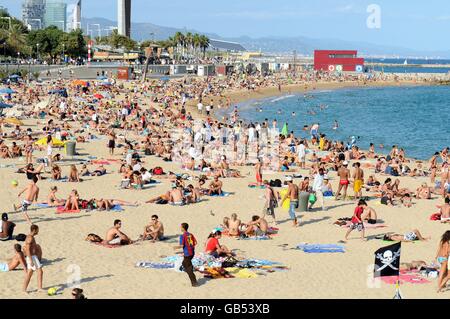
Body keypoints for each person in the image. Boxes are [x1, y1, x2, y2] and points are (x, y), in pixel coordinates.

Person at [174, 223, 198, 287]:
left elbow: (181, 245)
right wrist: (190, 247)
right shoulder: (191, 234)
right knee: (184, 263)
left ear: (183, 228)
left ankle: (194, 282)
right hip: (192, 252)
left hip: (187, 254)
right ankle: (191, 270)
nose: (180, 228)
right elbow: (195, 242)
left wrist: (175, 247)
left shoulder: (182, 236)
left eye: (181, 227)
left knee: (188, 268)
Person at [23, 224, 44, 293]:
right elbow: (27, 250)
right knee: (40, 271)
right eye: (37, 230)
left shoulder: (30, 236)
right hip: (31, 257)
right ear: (34, 230)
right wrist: (31, 260)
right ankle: (39, 288)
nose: (38, 231)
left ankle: (24, 289)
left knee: (29, 273)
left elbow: (31, 224)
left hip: (32, 257)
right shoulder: (30, 238)